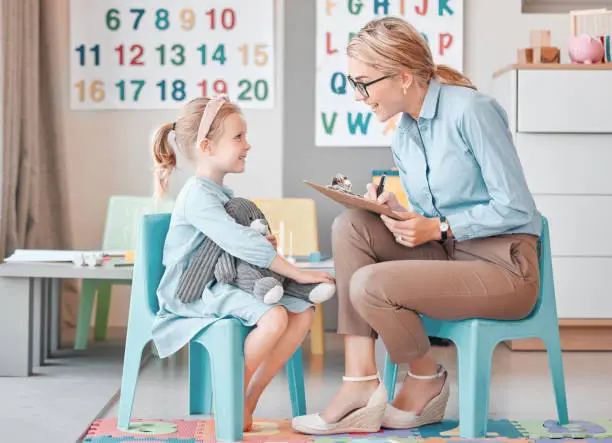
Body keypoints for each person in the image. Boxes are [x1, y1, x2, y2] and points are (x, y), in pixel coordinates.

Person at [292, 17, 541, 435]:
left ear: (404, 76)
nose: (359, 96)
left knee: (370, 283)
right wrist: (396, 214)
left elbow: (515, 207)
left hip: (505, 268)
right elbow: (431, 218)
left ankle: (426, 379)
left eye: (364, 83)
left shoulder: (472, 111)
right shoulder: (404, 132)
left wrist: (440, 228)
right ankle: (359, 382)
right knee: (352, 224)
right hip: (452, 257)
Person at [150, 95, 335, 431]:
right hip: (193, 290)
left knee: (302, 312)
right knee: (274, 316)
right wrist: (296, 272)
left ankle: (249, 398)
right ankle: (232, 395)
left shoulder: (222, 195)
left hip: (220, 283)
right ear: (207, 146)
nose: (247, 145)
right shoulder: (197, 196)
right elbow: (239, 243)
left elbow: (235, 244)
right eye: (238, 137)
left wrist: (262, 245)